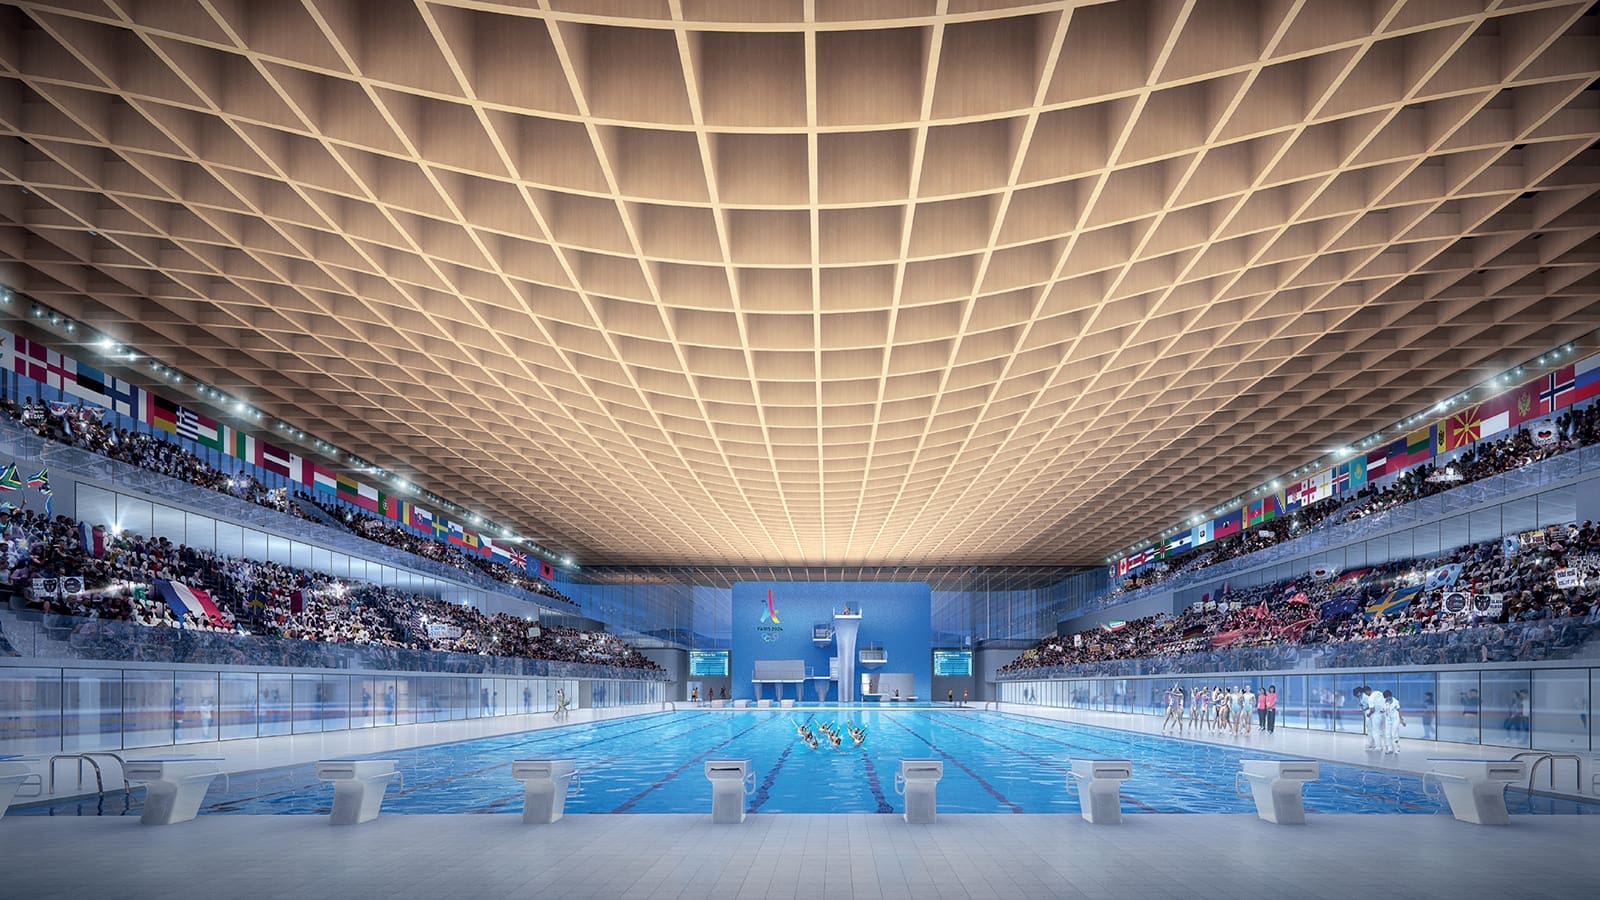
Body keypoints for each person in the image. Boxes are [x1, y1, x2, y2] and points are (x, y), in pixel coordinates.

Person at [1381, 689, 1406, 754]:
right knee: (1387, 734)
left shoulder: (1395, 701)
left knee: (1394, 734)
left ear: (1390, 696)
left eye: (1387, 697)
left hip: (1395, 719)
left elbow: (1399, 710)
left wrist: (1401, 720)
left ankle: (1397, 749)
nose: (1386, 698)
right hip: (1388, 719)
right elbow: (1384, 708)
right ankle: (1390, 749)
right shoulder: (1384, 701)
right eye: (1385, 697)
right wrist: (1382, 711)